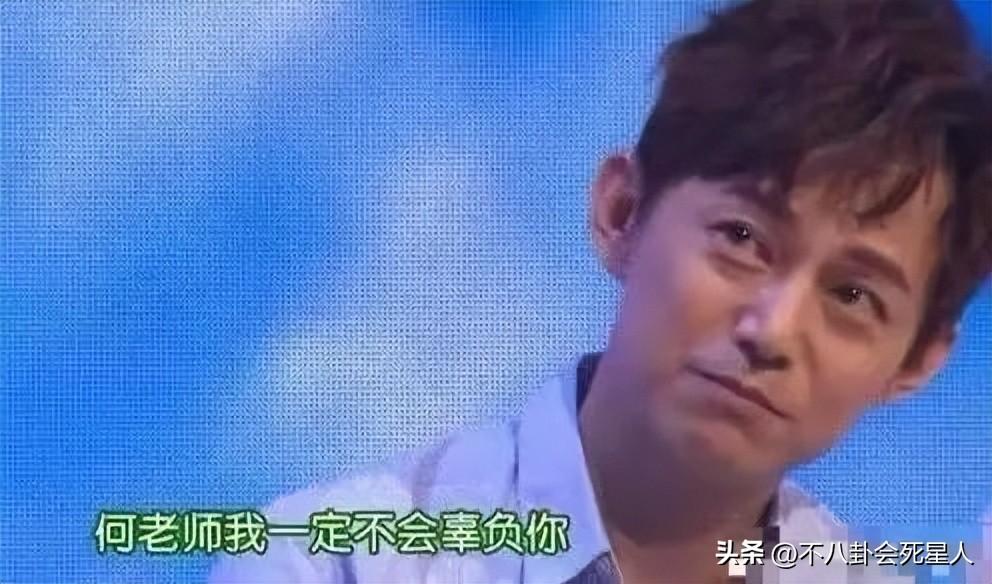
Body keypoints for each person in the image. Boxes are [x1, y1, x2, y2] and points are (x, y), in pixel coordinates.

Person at [210, 0, 992, 582]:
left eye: (852, 296)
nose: (773, 329)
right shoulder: (333, 563)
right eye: (742, 238)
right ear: (622, 212)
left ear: (917, 361)